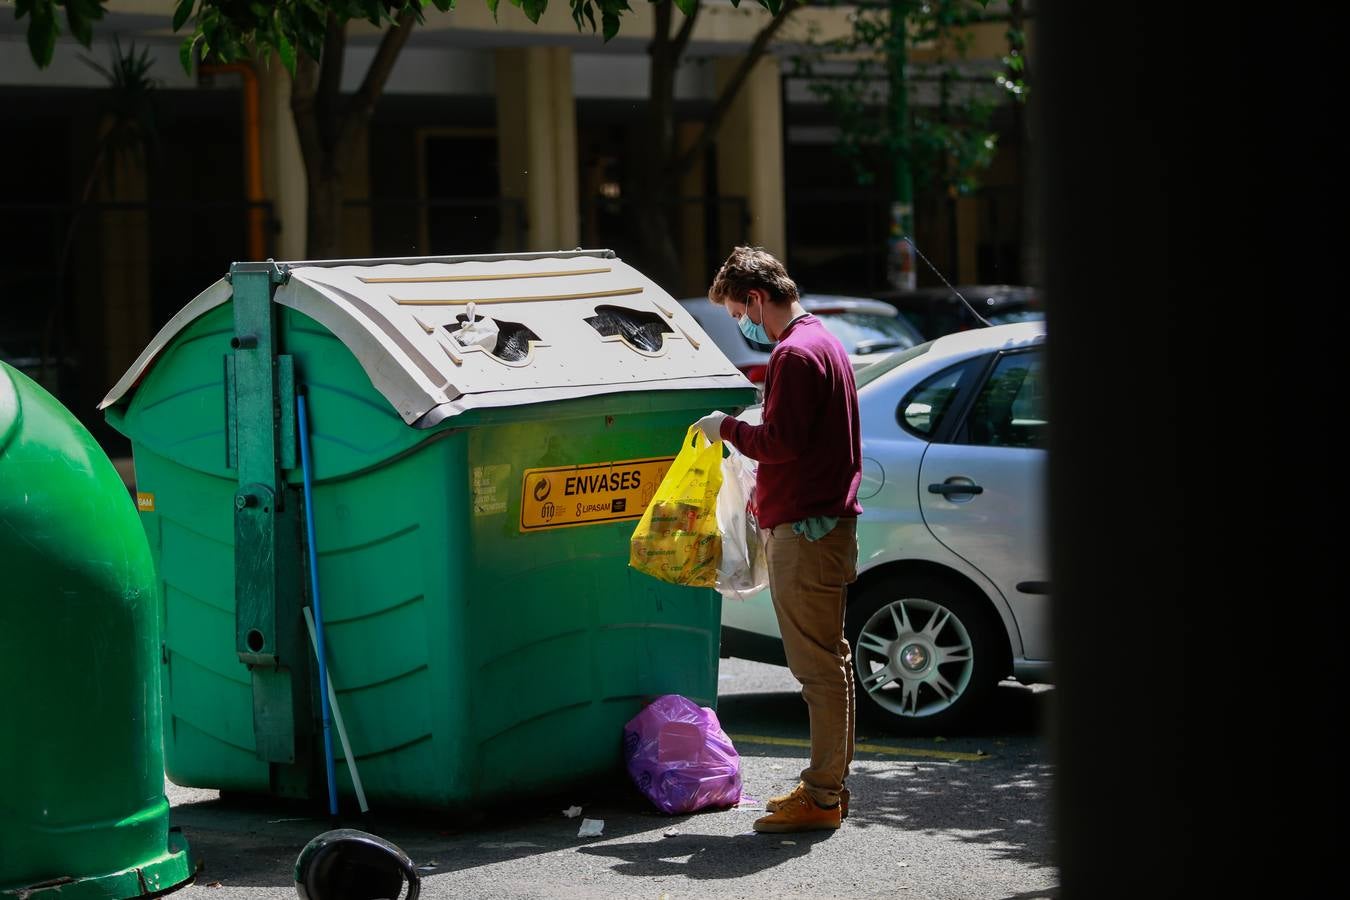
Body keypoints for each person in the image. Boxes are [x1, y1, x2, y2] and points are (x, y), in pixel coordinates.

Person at [693, 246, 862, 834]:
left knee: (817, 669)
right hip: (826, 526)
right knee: (830, 662)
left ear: (757, 299)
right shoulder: (826, 341)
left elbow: (781, 443)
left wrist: (728, 428)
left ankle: (821, 796)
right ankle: (828, 786)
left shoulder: (794, 353)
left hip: (808, 532)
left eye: (741, 311)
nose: (745, 323)